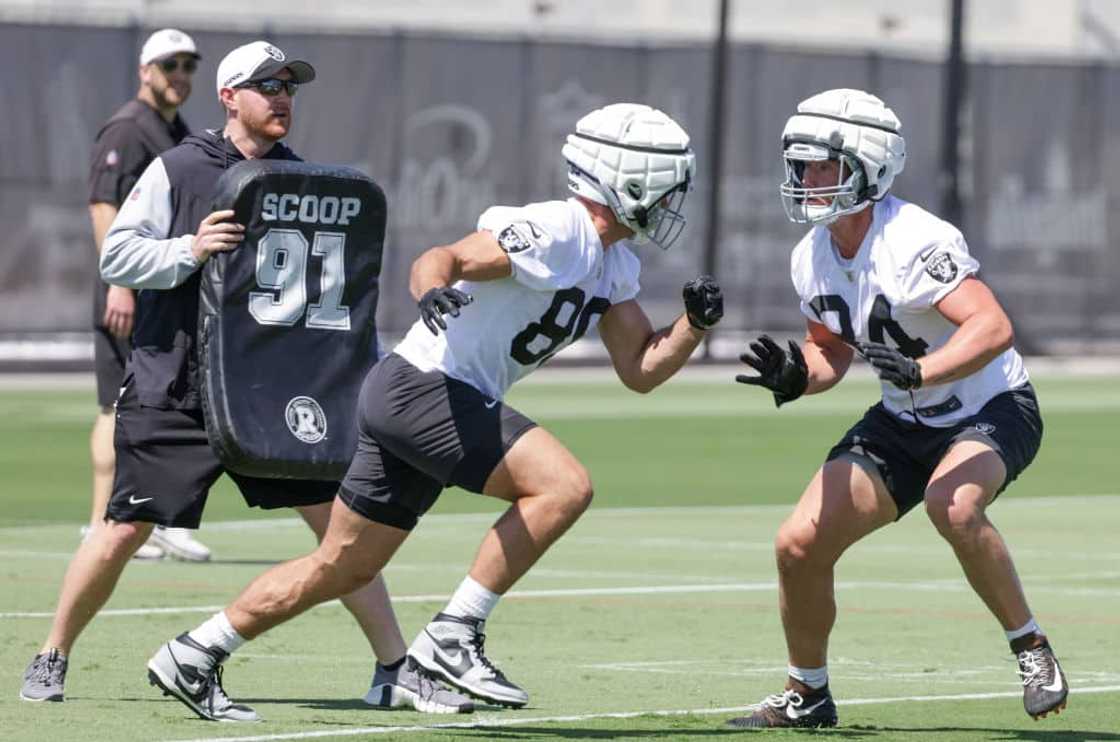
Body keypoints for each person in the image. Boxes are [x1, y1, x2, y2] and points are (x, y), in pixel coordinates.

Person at [148, 102, 724, 720]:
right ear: (624, 177)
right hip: (423, 387)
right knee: (563, 486)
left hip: (413, 395)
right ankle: (455, 634)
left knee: (341, 567)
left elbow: (640, 369)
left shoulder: (612, 262)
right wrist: (432, 291)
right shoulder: (560, 229)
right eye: (665, 184)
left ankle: (195, 651)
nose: (671, 201)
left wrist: (694, 324)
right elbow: (442, 258)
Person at [20, 40, 472, 719]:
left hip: (271, 391)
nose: (282, 95)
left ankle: (394, 668)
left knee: (339, 535)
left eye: (289, 85)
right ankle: (52, 652)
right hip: (176, 382)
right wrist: (188, 248)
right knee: (123, 528)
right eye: (267, 85)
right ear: (230, 97)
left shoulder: (308, 180)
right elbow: (118, 252)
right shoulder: (180, 167)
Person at [728, 88, 1067, 729]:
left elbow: (993, 327)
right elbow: (829, 348)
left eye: (822, 166)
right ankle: (808, 694)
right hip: (904, 418)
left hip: (989, 405)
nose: (807, 181)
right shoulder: (811, 255)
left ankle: (1031, 645)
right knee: (798, 545)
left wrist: (923, 369)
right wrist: (798, 375)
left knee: (954, 504)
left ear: (867, 165)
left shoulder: (914, 237)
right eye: (801, 167)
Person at [86, 28, 212, 563]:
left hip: (162, 292)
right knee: (115, 406)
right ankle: (100, 523)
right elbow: (102, 207)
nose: (180, 75)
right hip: (129, 289)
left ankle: (156, 518)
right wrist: (120, 284)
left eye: (188, 65)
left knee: (161, 405)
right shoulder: (128, 128)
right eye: (170, 65)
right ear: (145, 70)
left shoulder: (173, 128)